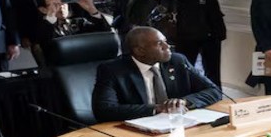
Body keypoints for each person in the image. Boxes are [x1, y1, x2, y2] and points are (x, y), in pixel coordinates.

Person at [92, 26, 221, 122]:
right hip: (138, 128)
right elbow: (104, 110)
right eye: (160, 44)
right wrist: (157, 108)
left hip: (177, 125)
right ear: (140, 50)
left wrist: (184, 102)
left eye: (166, 41)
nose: (167, 46)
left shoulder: (177, 61)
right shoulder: (112, 70)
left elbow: (214, 91)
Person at [24, 0, 110, 51]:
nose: (61, 6)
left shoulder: (79, 23)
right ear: (43, 9)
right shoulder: (40, 29)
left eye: (63, 3)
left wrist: (92, 10)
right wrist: (51, 17)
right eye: (55, 4)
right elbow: (48, 45)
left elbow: (105, 33)